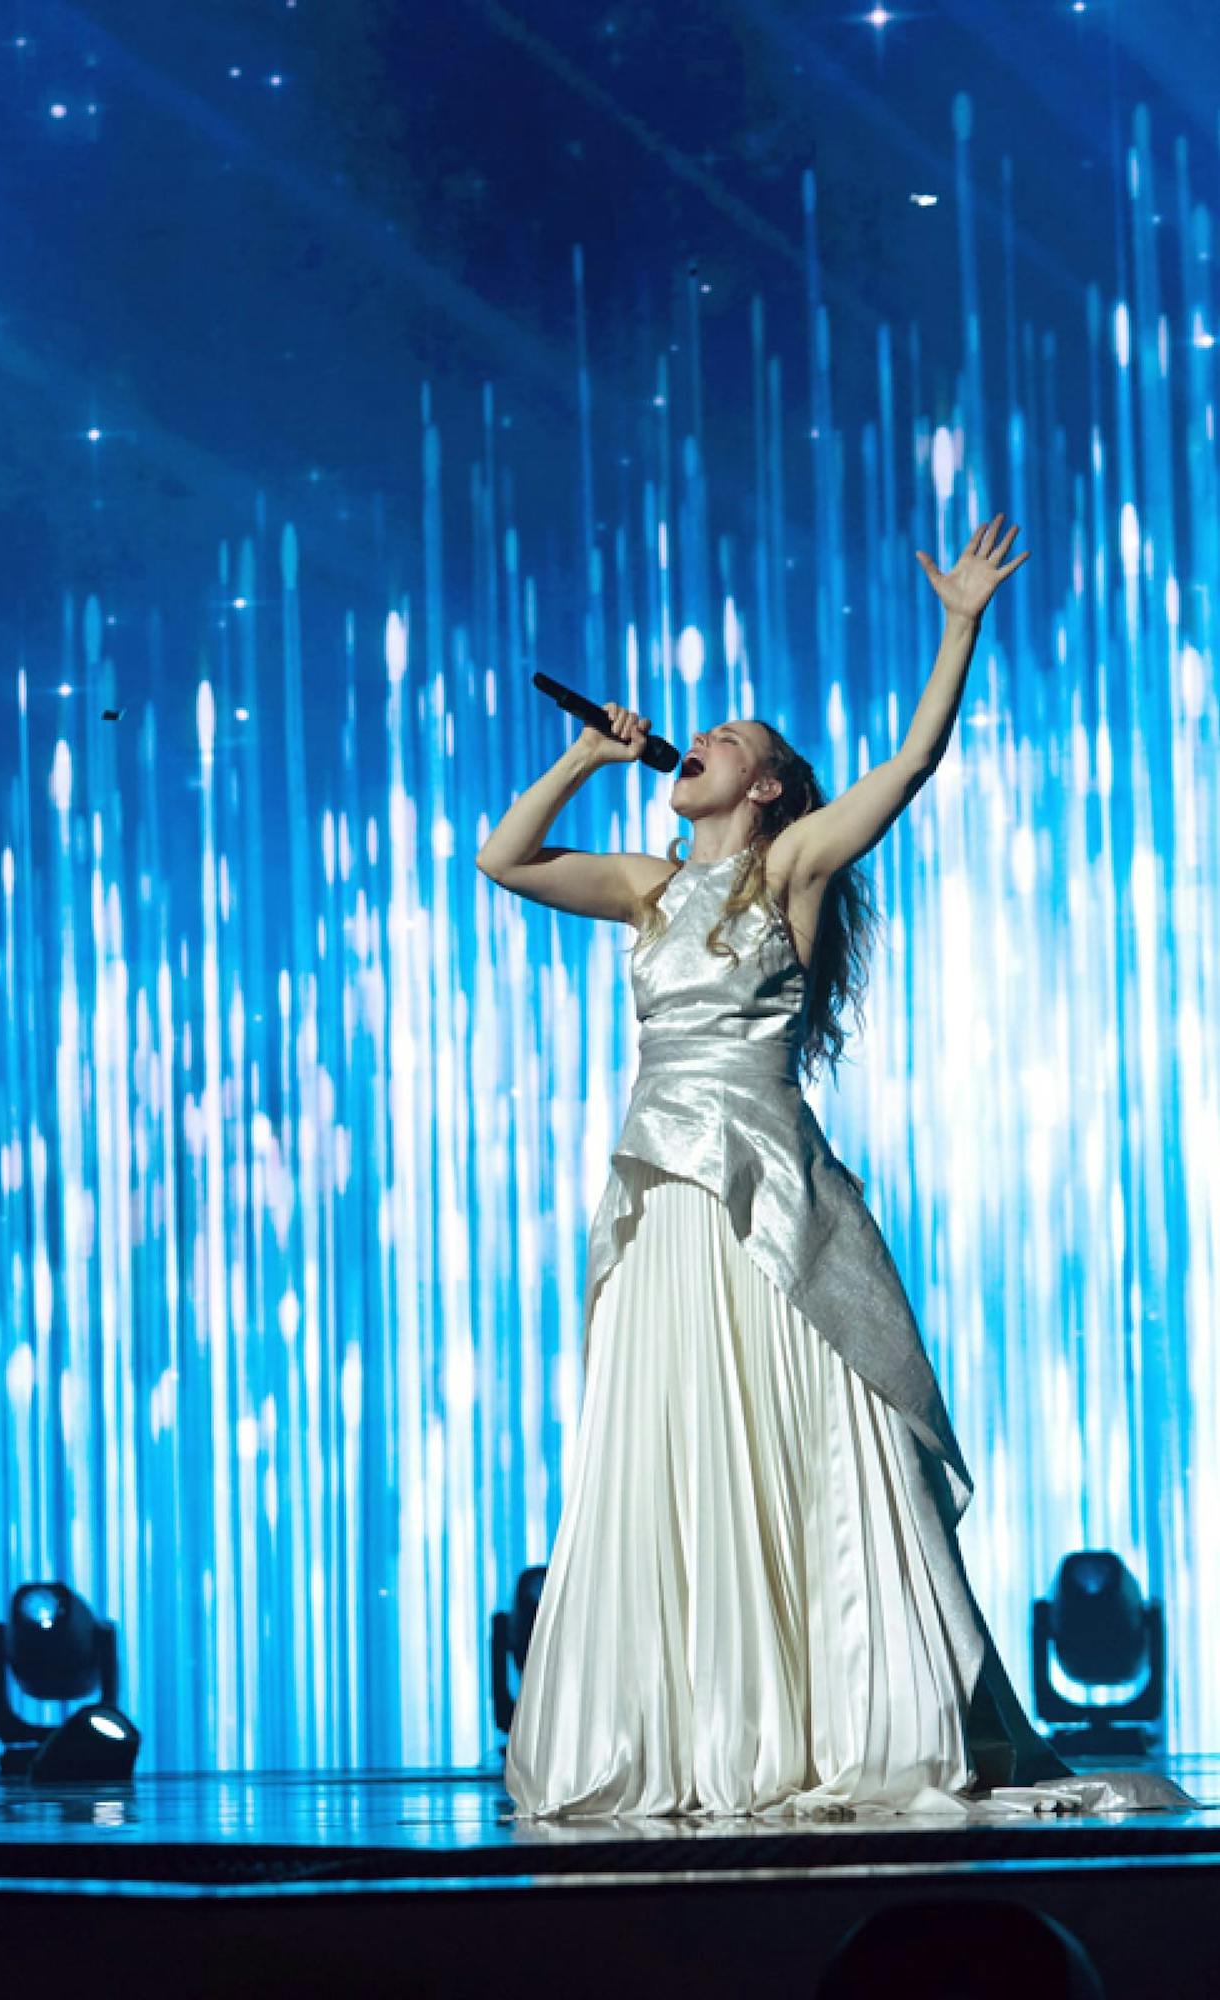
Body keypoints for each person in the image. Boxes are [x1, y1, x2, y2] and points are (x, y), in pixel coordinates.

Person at [477, 517, 1191, 1819]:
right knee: (673, 1452)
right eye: (704, 736)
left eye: (735, 741)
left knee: (797, 1447)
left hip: (766, 1194)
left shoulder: (787, 869)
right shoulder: (646, 890)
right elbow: (501, 858)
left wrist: (959, 623)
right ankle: (700, 1732)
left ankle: (836, 1716)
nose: (703, 742)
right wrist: (585, 751)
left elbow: (910, 765)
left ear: (763, 790)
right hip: (662, 1195)